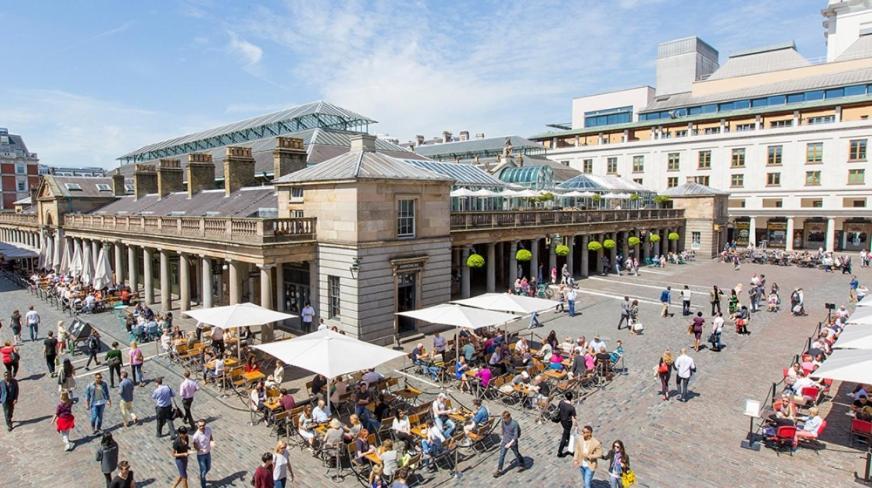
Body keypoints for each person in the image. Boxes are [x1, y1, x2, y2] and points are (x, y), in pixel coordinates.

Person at [493, 411, 526, 478]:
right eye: (503, 418)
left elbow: (515, 435)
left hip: (512, 442)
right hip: (505, 441)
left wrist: (510, 443)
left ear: (508, 417)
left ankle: (521, 463)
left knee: (516, 453)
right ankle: (499, 470)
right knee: (502, 455)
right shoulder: (503, 421)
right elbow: (503, 430)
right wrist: (502, 439)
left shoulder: (514, 424)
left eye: (504, 418)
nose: (503, 420)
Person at [192, 419, 214, 488]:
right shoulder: (196, 435)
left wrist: (212, 442)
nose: (202, 427)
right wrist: (199, 449)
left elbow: (210, 436)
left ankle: (201, 476)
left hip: (208, 452)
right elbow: (194, 445)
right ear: (198, 426)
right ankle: (203, 485)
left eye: (203, 425)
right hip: (201, 455)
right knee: (203, 470)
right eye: (200, 426)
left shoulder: (208, 429)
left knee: (208, 467)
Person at [556, 392, 577, 457]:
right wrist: (576, 425)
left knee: (567, 433)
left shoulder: (561, 402)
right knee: (564, 438)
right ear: (571, 398)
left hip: (562, 420)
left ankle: (568, 439)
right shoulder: (571, 408)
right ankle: (560, 452)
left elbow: (559, 409)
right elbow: (574, 418)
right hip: (567, 423)